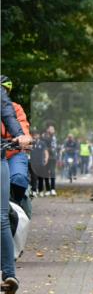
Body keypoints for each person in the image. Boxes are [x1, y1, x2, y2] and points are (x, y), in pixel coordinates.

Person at [2, 83, 31, 294]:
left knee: (1, 216)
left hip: (8, 154)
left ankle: (8, 273)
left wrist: (21, 136)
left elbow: (12, 119)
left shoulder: (11, 106)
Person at [0, 76, 31, 215]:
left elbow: (22, 125)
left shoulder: (15, 108)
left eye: (4, 91)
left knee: (18, 177)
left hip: (13, 153)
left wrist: (23, 137)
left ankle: (17, 209)